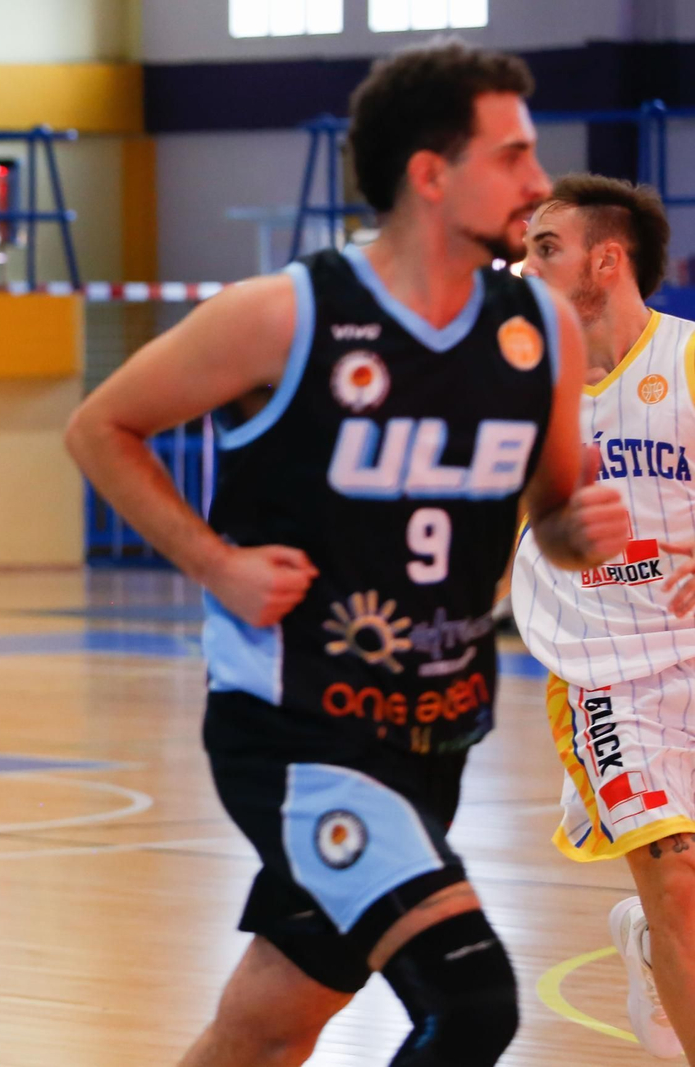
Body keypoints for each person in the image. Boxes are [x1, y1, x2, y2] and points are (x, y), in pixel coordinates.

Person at [66, 41, 629, 1066]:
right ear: (429, 172)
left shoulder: (536, 327)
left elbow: (549, 510)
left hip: (434, 733)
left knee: (268, 1025)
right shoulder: (285, 315)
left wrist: (573, 528)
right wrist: (215, 562)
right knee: (471, 1002)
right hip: (295, 736)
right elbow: (100, 427)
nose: (539, 181)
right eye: (510, 155)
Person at [511, 173, 693, 1059]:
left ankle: (648, 946)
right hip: (601, 663)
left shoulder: (687, 360)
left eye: (546, 246)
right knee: (679, 879)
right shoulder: (520, 388)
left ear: (606, 259)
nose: (526, 261)